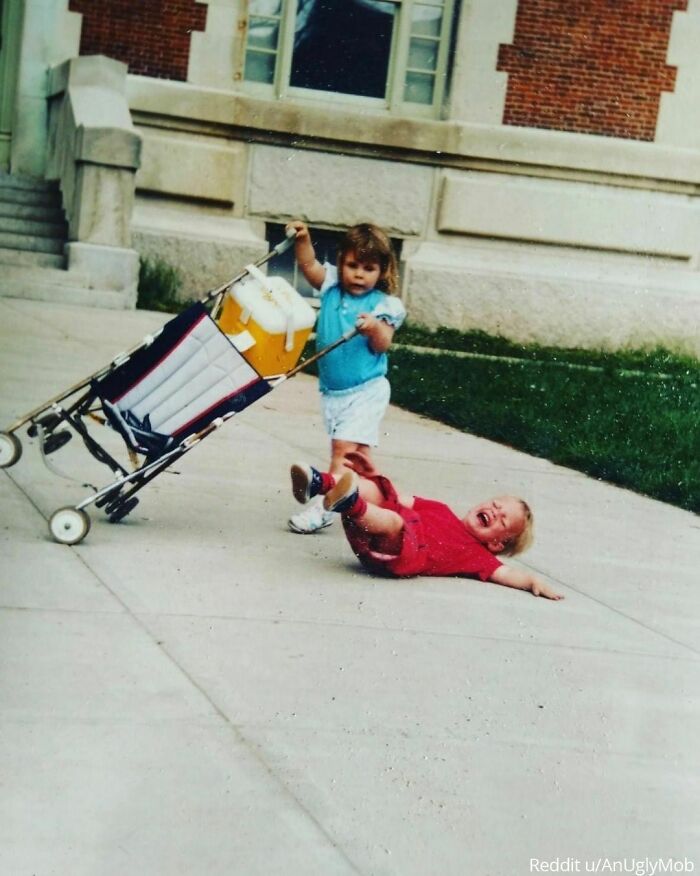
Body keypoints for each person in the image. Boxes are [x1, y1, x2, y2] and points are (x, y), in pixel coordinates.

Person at [289, 452, 564, 599]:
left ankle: (347, 501)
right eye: (495, 504)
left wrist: (532, 581)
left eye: (502, 518)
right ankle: (319, 483)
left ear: (495, 543)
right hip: (369, 528)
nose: (493, 510)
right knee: (379, 493)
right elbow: (396, 499)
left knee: (396, 522)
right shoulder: (440, 509)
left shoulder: (479, 557)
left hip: (394, 555)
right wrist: (372, 478)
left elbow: (505, 574)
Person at [286, 219, 406, 534]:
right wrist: (303, 238)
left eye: (368, 268)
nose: (358, 274)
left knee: (341, 452)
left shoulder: (383, 304)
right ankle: (380, 504)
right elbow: (308, 263)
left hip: (365, 391)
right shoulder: (331, 286)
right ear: (341, 263)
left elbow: (383, 344)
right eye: (352, 265)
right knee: (358, 460)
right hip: (334, 393)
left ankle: (323, 508)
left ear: (382, 271)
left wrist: (374, 327)